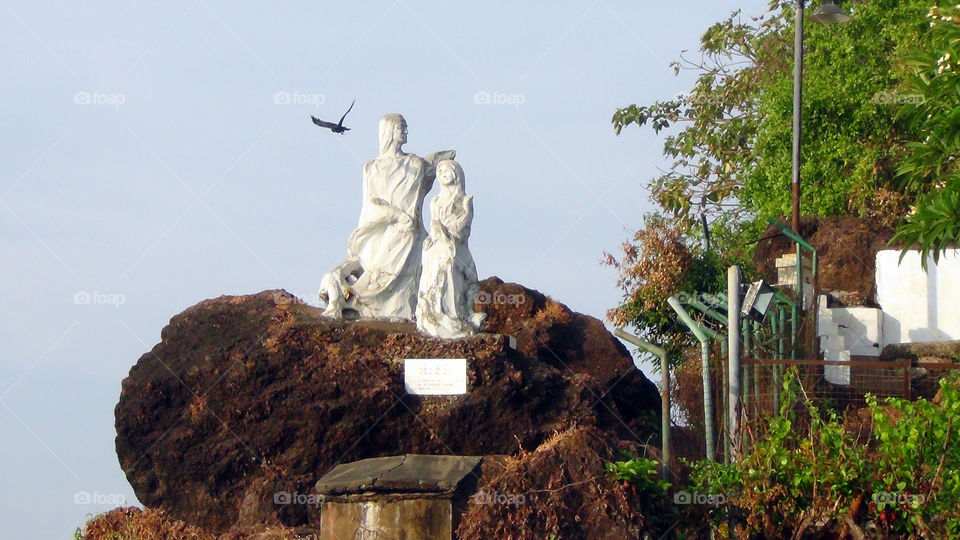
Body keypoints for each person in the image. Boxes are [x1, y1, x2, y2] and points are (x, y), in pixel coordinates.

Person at [319, 114, 453, 320]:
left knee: (413, 245)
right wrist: (395, 216)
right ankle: (360, 302)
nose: (406, 132)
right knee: (373, 268)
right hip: (381, 230)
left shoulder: (415, 164)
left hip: (410, 234)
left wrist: (444, 159)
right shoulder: (372, 167)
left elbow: (437, 162)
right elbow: (370, 203)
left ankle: (401, 309)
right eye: (402, 128)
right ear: (389, 131)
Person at [416, 159, 486, 338]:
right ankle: (435, 312)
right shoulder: (435, 201)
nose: (442, 174)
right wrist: (432, 237)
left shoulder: (465, 200)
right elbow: (433, 225)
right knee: (431, 264)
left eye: (446, 170)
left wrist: (448, 233)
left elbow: (464, 227)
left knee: (449, 263)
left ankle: (455, 314)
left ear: (456, 173)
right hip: (438, 244)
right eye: (439, 171)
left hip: (456, 246)